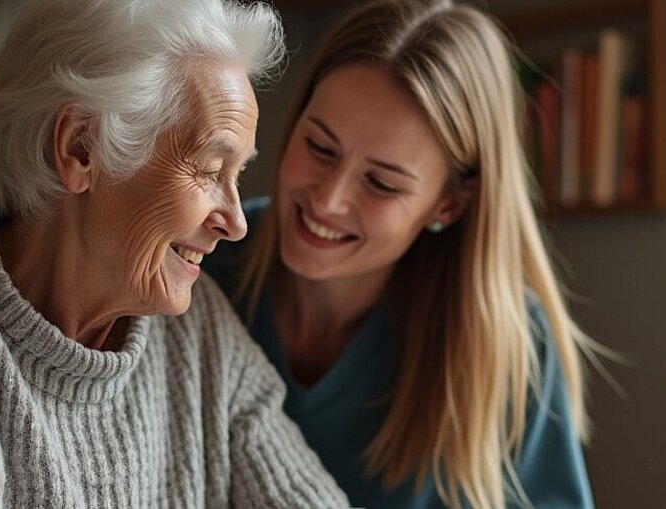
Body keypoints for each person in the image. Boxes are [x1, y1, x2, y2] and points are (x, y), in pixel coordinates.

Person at [0, 0, 350, 506]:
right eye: (208, 169)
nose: (234, 221)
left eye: (239, 175)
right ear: (80, 148)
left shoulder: (197, 340)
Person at [204, 0, 599, 507]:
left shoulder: (511, 346)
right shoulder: (202, 261)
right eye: (320, 148)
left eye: (382, 183)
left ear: (450, 204)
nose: (328, 199)